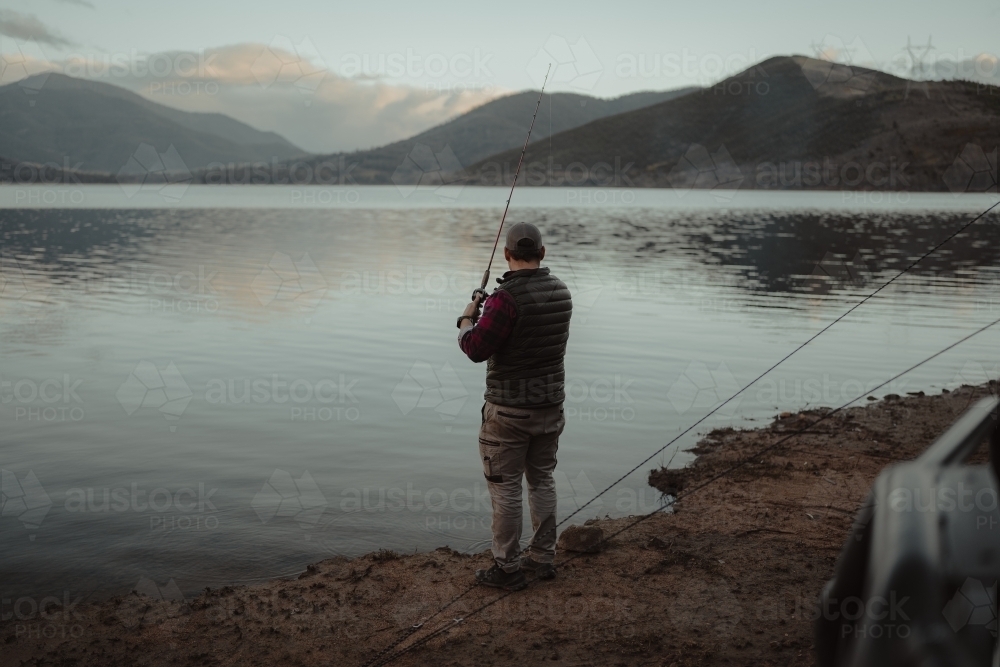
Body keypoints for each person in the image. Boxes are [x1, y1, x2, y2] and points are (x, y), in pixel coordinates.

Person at [456, 222, 573, 591]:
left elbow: (476, 348)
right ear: (543, 252)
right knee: (542, 480)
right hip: (550, 407)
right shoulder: (561, 291)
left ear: (507, 254)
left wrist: (465, 319)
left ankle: (507, 569)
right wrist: (488, 306)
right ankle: (543, 558)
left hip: (508, 412)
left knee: (506, 489)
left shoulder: (504, 300)